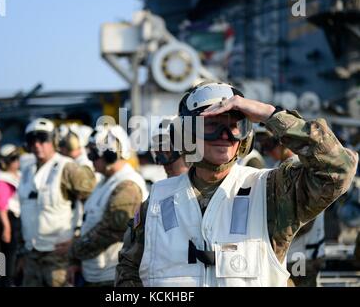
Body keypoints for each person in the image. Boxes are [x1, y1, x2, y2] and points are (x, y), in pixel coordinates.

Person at [115, 81, 358, 287]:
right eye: (212, 125)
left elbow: (338, 168)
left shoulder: (272, 191)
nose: (224, 135)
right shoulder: (155, 205)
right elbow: (128, 274)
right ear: (188, 134)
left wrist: (267, 114)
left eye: (234, 126)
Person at [19, 118, 96, 287]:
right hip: (31, 254)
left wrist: (78, 239)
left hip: (59, 257)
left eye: (42, 139)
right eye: (32, 140)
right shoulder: (25, 171)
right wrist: (21, 253)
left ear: (53, 140)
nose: (37, 144)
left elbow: (95, 204)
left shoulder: (68, 168)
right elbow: (24, 212)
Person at [67, 124, 148, 287]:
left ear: (111, 154)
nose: (90, 159)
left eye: (94, 154)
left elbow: (109, 231)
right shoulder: (105, 181)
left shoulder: (127, 186)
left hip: (113, 278)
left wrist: (73, 250)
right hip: (96, 275)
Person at [260, 131, 325, 286]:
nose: (267, 151)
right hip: (288, 254)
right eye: (263, 147)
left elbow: (305, 218)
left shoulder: (300, 168)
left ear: (283, 143)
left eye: (269, 145)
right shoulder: (279, 168)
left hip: (301, 255)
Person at [0, 144, 22, 287]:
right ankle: (4, 281)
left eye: (17, 157)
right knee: (6, 253)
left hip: (14, 218)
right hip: (6, 219)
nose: (17, 161)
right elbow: (1, 206)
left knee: (11, 253)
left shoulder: (17, 175)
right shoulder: (3, 179)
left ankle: (5, 279)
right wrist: (6, 228)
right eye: (13, 159)